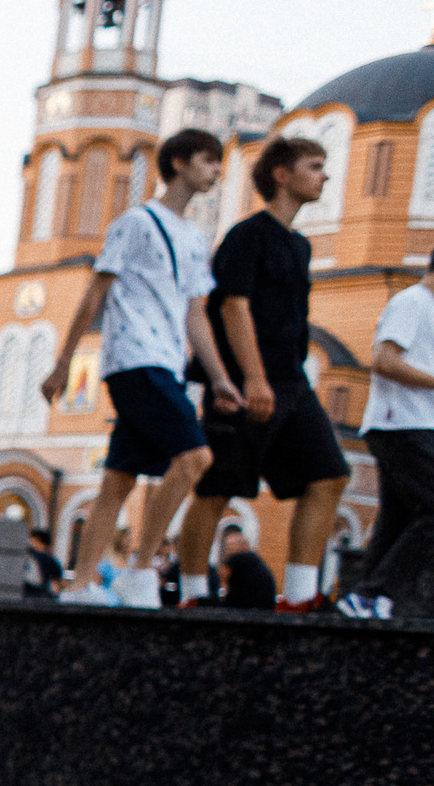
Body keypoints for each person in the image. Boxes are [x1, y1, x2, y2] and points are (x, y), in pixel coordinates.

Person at [47, 129, 237, 606]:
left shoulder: (195, 238)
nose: (216, 170)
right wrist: (64, 363)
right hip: (133, 360)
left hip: (167, 365)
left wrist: (219, 378)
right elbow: (96, 292)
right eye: (207, 160)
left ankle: (79, 586)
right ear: (178, 163)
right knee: (197, 458)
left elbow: (196, 314)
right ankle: (139, 570)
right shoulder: (135, 223)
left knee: (119, 479)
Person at [175, 138, 348, 612]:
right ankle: (193, 596)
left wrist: (283, 378)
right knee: (218, 486)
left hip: (292, 381)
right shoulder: (247, 235)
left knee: (329, 475)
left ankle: (298, 595)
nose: (324, 176)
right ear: (282, 175)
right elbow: (233, 306)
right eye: (315, 166)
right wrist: (252, 378)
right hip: (242, 382)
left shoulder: (299, 245)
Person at [342, 259, 434, 618]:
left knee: (397, 516)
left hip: (415, 425)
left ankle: (366, 601)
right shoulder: (412, 302)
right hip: (400, 425)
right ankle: (373, 593)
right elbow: (383, 360)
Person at [215, 523, 276, 610]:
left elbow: (222, 578)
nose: (226, 551)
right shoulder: (258, 564)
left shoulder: (237, 560)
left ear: (242, 546)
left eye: (229, 546)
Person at [24, 527, 65, 598]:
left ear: (37, 540)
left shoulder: (31, 557)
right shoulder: (54, 562)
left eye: (32, 541)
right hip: (43, 601)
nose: (30, 543)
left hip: (26, 598)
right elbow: (56, 589)